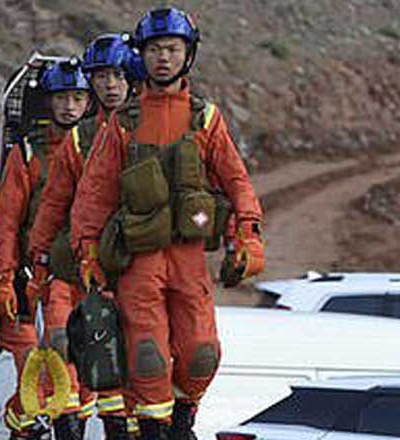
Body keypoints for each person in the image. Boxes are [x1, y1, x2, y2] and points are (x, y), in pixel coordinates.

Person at [71, 8, 265, 439]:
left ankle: (183, 415)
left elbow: (237, 181)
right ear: (142, 54)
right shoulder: (124, 122)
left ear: (187, 54)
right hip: (138, 262)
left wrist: (247, 235)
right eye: (155, 50)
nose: (163, 58)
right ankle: (156, 429)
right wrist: (87, 250)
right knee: (147, 356)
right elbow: (95, 193)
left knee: (201, 354)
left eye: (172, 49)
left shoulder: (206, 118)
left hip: (188, 257)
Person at [27, 32, 143, 439]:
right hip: (81, 265)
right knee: (70, 348)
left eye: (116, 75)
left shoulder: (158, 127)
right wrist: (35, 264)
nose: (110, 84)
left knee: (153, 359)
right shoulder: (76, 142)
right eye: (101, 77)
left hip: (140, 265)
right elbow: (52, 207)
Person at [0, 58, 92, 439]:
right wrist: (3, 277)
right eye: (62, 97)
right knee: (53, 368)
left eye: (78, 97)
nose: (70, 106)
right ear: (49, 102)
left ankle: (25, 428)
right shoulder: (27, 153)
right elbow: (7, 222)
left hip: (88, 272)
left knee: (85, 381)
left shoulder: (99, 145)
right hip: (39, 276)